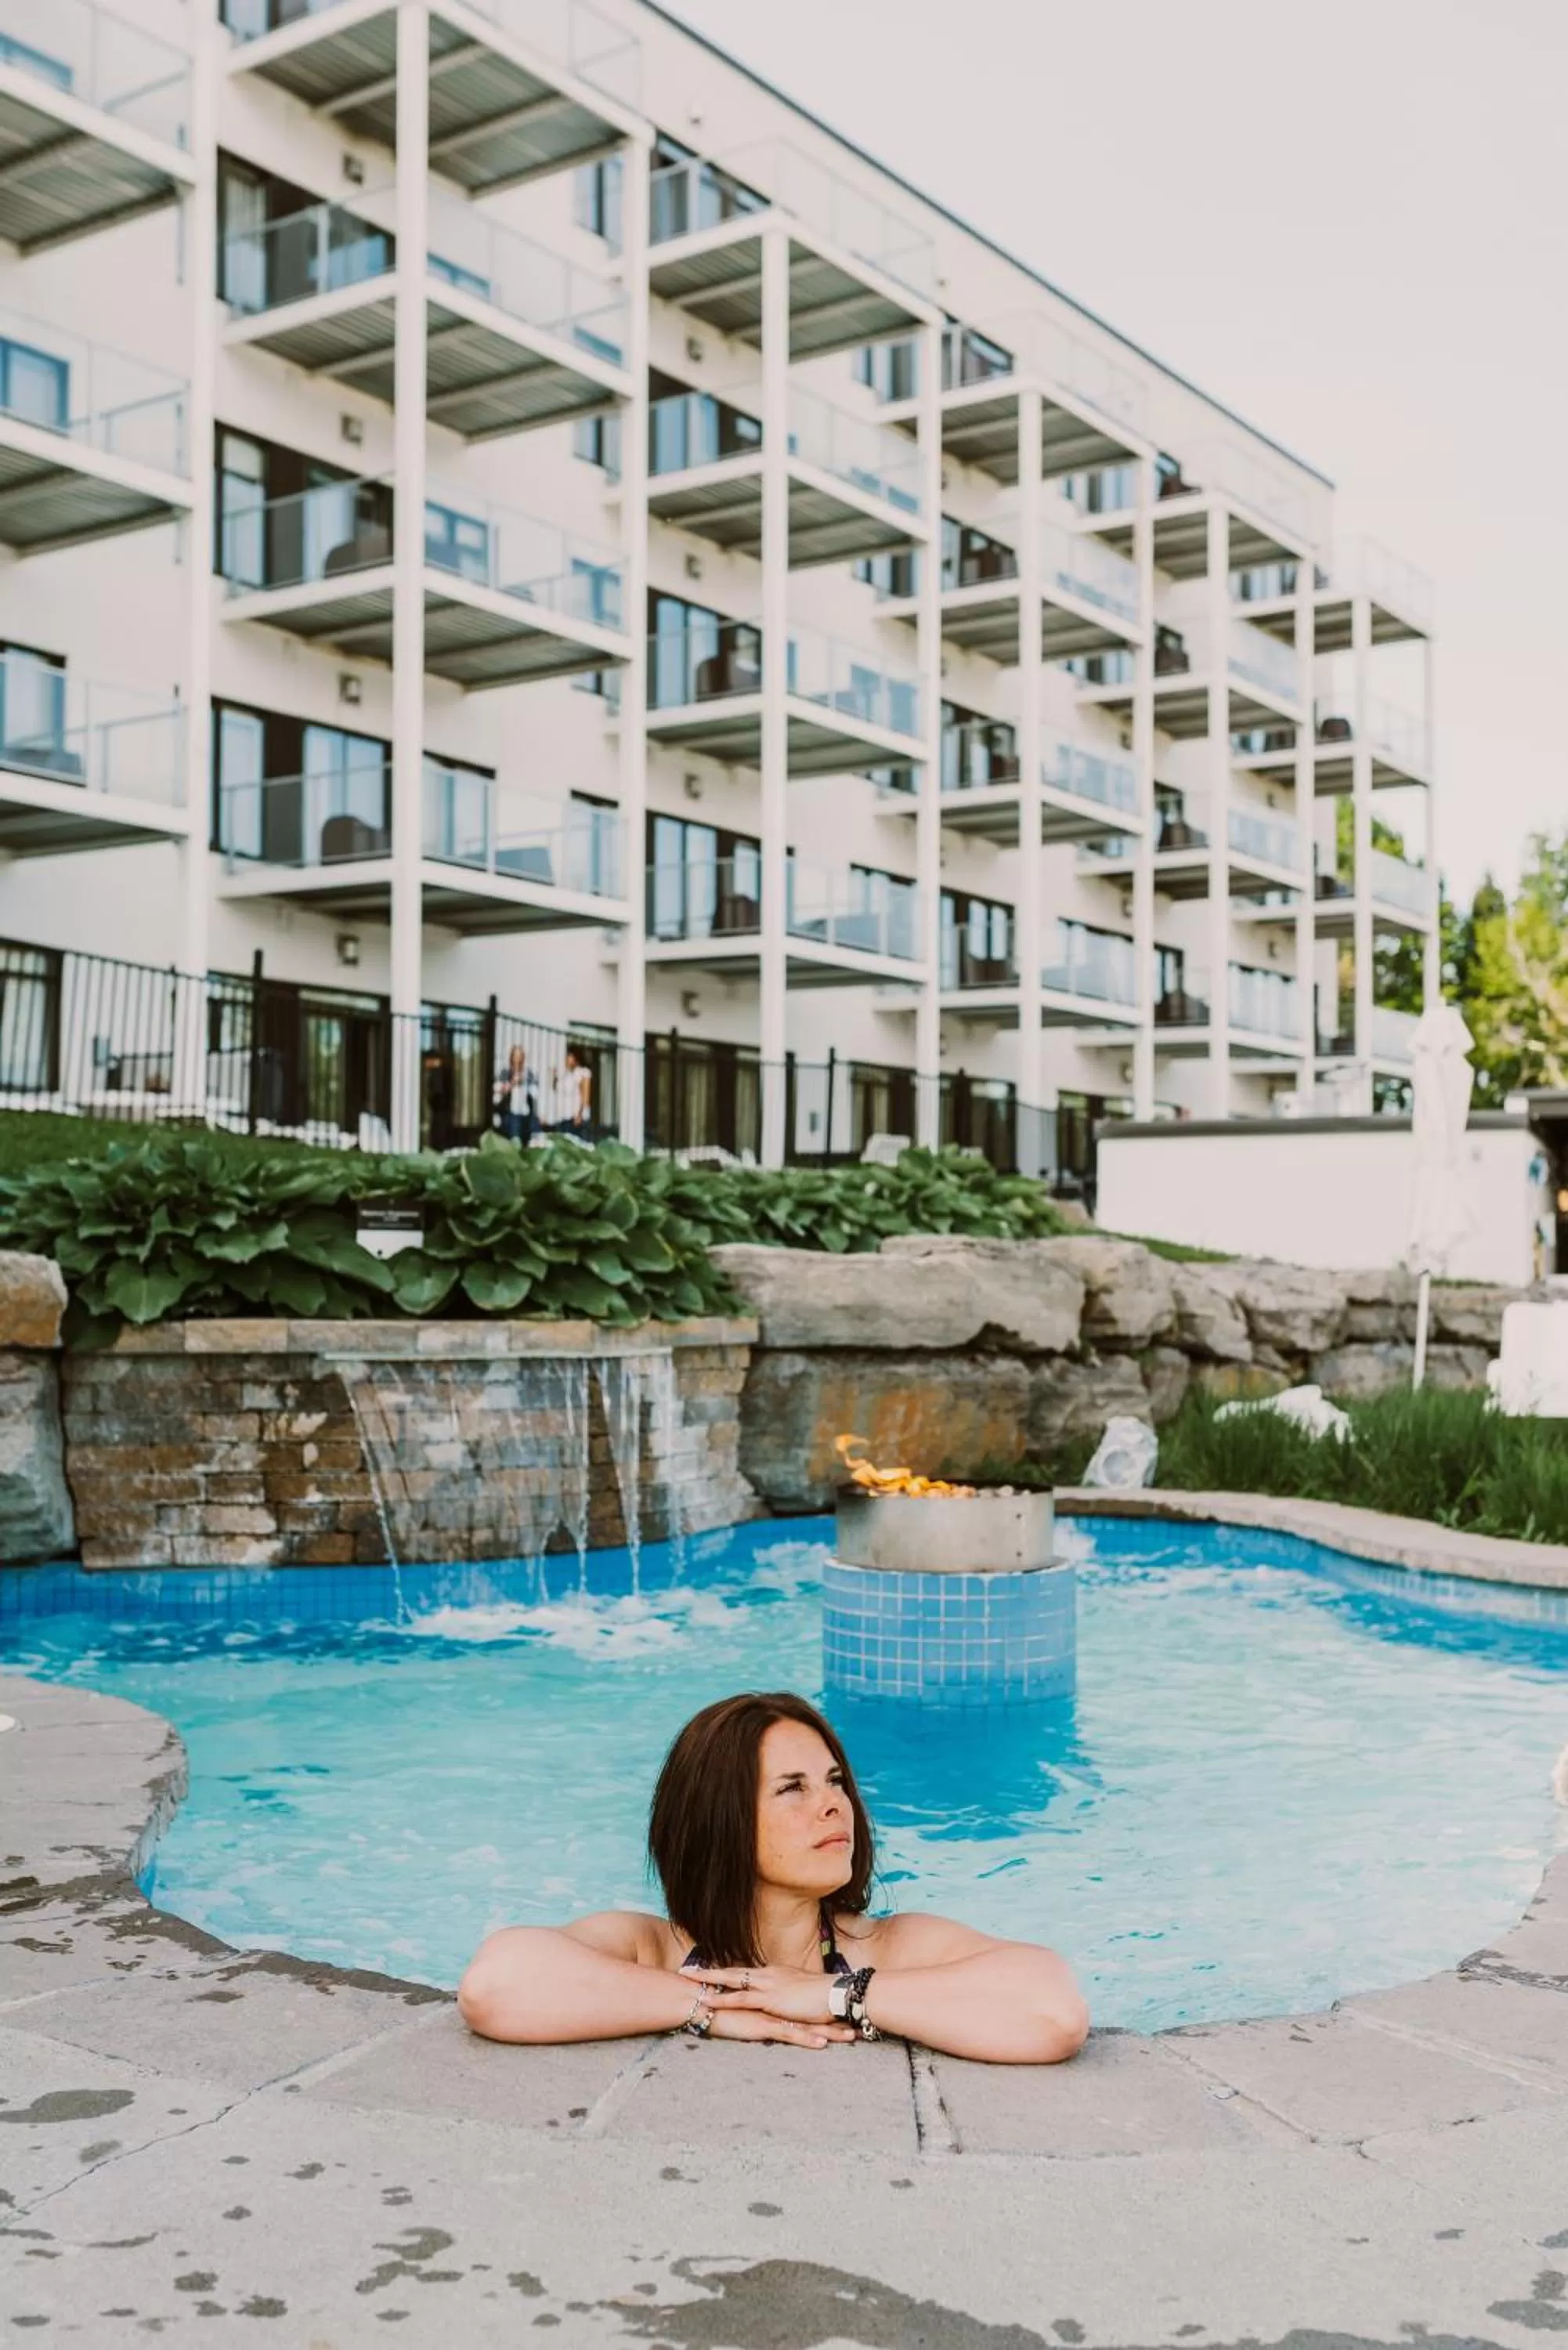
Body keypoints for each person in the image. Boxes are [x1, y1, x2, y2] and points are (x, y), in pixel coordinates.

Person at [457, 1690, 1089, 2065]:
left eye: (834, 1781)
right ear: (721, 1822)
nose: (834, 1804)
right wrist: (705, 2006)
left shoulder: (883, 1950)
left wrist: (832, 1996)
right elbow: (496, 1985)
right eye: (793, 1788)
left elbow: (1053, 2008)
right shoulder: (656, 1952)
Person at [492, 1043, 536, 1144]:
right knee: (515, 1142)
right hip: (511, 1114)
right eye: (516, 1057)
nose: (518, 1060)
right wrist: (512, 1083)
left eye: (521, 1057)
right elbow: (497, 1088)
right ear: (511, 1058)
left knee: (527, 1143)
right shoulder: (506, 1072)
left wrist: (526, 1084)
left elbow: (535, 1093)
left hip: (526, 1115)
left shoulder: (528, 1074)